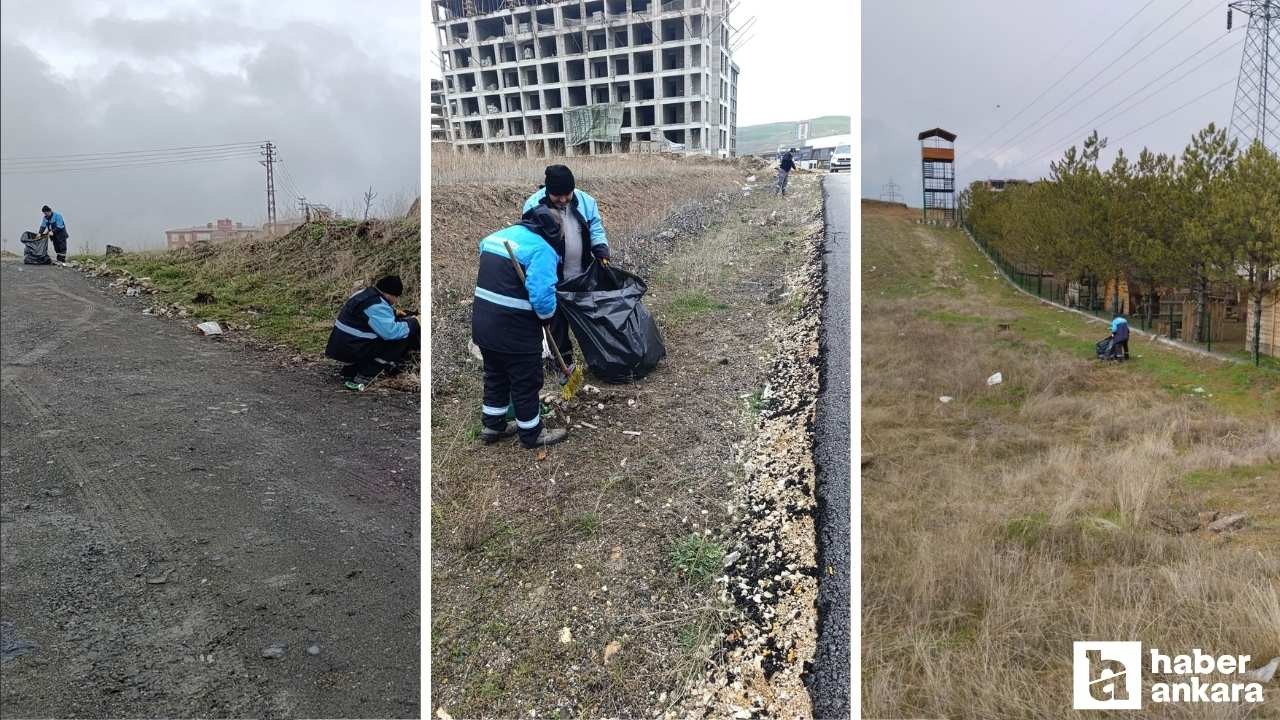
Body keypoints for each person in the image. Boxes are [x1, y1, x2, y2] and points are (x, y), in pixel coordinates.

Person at [472, 205, 569, 449]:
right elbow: (542, 297)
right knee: (526, 380)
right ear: (553, 232)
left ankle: (493, 425)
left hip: (483, 324)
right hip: (514, 329)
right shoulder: (542, 250)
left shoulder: (494, 238)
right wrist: (547, 317)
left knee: (495, 374)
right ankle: (531, 433)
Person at [522, 164, 609, 370]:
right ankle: (564, 362)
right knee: (556, 321)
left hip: (581, 274)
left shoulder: (586, 201)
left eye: (567, 195)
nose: (562, 200)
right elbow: (529, 241)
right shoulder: (533, 205)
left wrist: (600, 247)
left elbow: (595, 226)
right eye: (557, 196)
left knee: (589, 318)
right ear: (547, 190)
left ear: (573, 189)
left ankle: (598, 357)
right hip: (552, 277)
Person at [324, 275, 420, 391]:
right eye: (396, 297)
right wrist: (415, 322)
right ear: (388, 294)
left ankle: (351, 369)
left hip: (341, 345)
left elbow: (368, 315)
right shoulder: (377, 306)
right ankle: (367, 373)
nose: (396, 301)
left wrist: (395, 312)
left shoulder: (363, 293)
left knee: (402, 324)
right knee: (402, 336)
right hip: (353, 349)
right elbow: (391, 332)